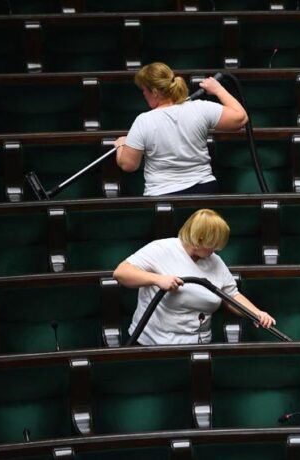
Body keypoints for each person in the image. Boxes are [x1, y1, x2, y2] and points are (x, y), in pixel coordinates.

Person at [113, 208, 275, 345]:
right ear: (199, 239)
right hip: (155, 343)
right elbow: (121, 273)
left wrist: (256, 313)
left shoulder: (214, 261)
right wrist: (157, 279)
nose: (216, 250)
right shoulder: (162, 249)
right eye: (213, 244)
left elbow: (231, 295)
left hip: (199, 344)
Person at [114, 62, 248, 196]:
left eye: (144, 89)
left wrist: (121, 145)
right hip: (204, 191)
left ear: (154, 92)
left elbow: (128, 165)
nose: (143, 94)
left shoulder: (143, 121)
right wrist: (218, 90)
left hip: (163, 196)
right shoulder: (200, 108)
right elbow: (240, 118)